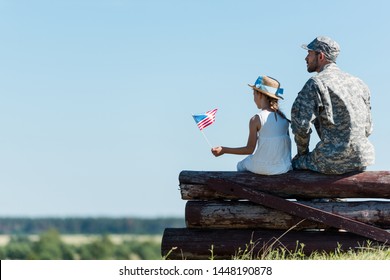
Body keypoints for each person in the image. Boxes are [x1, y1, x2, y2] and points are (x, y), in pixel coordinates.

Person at [291, 36, 375, 174]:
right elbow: (368, 128)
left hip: (332, 159)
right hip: (362, 158)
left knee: (294, 167)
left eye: (309, 53)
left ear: (321, 56)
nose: (306, 58)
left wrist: (302, 153)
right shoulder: (359, 83)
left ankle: (318, 197)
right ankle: (337, 196)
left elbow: (300, 126)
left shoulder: (316, 83)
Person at [211, 76, 292, 175]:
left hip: (262, 167)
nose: (253, 98)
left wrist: (224, 150)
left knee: (241, 165)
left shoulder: (256, 119)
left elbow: (249, 149)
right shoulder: (283, 118)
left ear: (259, 94)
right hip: (283, 167)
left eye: (254, 94)